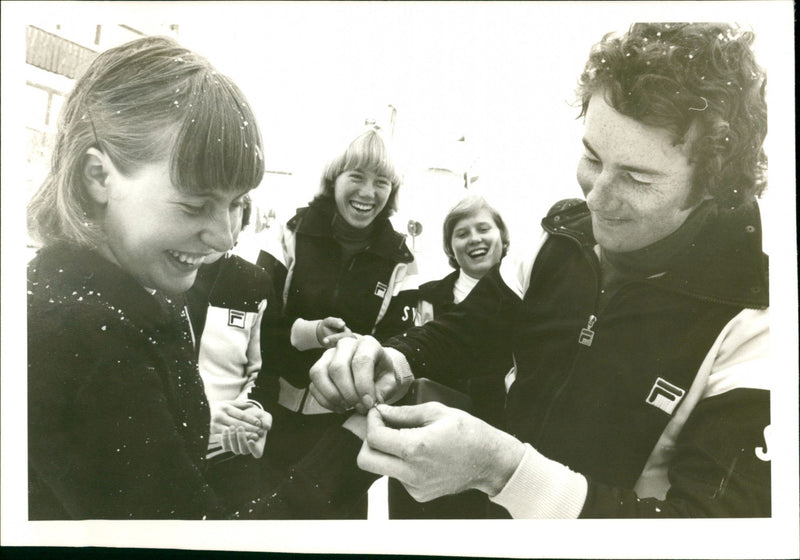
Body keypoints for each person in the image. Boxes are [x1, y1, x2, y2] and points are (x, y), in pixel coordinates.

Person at [308, 22, 771, 518]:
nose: (595, 198)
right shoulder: (560, 241)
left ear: (713, 185)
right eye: (592, 157)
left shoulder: (753, 322)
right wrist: (399, 359)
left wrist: (505, 473)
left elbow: (713, 530)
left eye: (637, 178)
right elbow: (471, 329)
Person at [26, 36, 371, 520]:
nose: (224, 237)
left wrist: (205, 426)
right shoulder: (83, 339)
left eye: (235, 204)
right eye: (195, 205)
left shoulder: (92, 298)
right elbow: (190, 537)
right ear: (98, 177)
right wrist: (354, 447)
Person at [248, 127, 420, 514]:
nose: (368, 193)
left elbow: (400, 350)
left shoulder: (401, 261)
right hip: (271, 418)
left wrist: (361, 352)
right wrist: (313, 334)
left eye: (381, 182)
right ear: (333, 180)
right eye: (356, 177)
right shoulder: (290, 233)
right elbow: (259, 328)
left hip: (340, 437)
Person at [389, 194, 512, 518]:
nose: (474, 239)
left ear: (502, 236)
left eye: (483, 228)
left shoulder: (525, 299)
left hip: (495, 445)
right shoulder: (425, 296)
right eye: (462, 233)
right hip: (427, 439)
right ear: (450, 247)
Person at [185, 195, 286, 510]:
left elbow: (266, 368)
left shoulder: (254, 282)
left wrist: (250, 411)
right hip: (167, 449)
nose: (222, 218)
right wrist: (197, 420)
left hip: (230, 454)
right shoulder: (159, 273)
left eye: (235, 206)